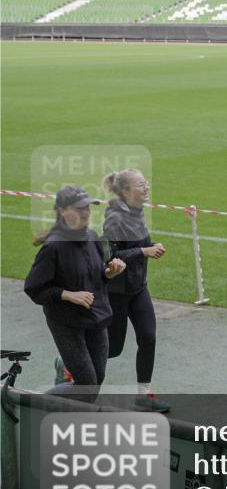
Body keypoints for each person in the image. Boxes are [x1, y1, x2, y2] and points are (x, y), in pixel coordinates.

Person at [24, 185, 126, 404]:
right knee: (86, 384)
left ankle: (67, 406)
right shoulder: (53, 248)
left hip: (95, 317)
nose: (86, 213)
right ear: (62, 211)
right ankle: (32, 403)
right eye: (79, 209)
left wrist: (109, 272)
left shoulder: (91, 236)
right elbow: (34, 288)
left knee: (95, 381)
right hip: (66, 321)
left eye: (88, 208)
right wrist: (67, 295)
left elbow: (96, 274)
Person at [102, 169, 170, 413]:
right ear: (126, 191)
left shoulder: (137, 213)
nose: (146, 187)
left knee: (148, 338)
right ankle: (67, 366)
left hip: (138, 288)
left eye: (146, 183)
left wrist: (151, 246)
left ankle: (144, 395)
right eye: (141, 185)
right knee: (113, 349)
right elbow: (108, 255)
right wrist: (143, 252)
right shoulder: (114, 218)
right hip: (117, 292)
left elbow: (137, 244)